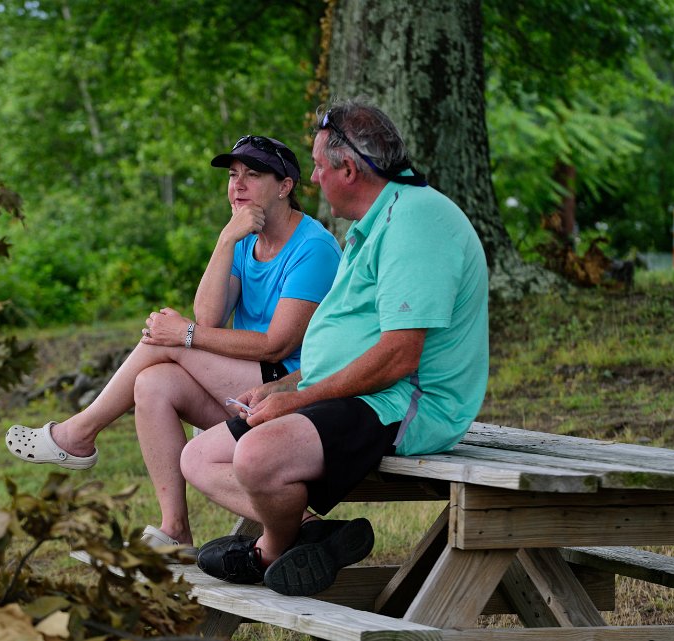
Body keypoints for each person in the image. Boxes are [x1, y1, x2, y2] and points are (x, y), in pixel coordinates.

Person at [181, 99, 489, 596]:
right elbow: (351, 341)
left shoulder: (416, 223)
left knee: (256, 456)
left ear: (348, 170)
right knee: (200, 457)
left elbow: (400, 356)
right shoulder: (376, 223)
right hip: (356, 390)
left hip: (405, 403)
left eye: (319, 167)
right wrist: (284, 386)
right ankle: (313, 537)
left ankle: (270, 551)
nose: (315, 178)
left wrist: (298, 400)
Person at [5, 135, 342, 556]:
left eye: (253, 175)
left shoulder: (313, 248)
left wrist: (183, 335)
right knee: (153, 383)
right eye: (233, 175)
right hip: (246, 389)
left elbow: (276, 345)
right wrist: (225, 240)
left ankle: (77, 434)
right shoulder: (243, 239)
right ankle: (175, 530)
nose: (237, 185)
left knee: (172, 341)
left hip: (292, 390)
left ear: (285, 186)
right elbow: (209, 317)